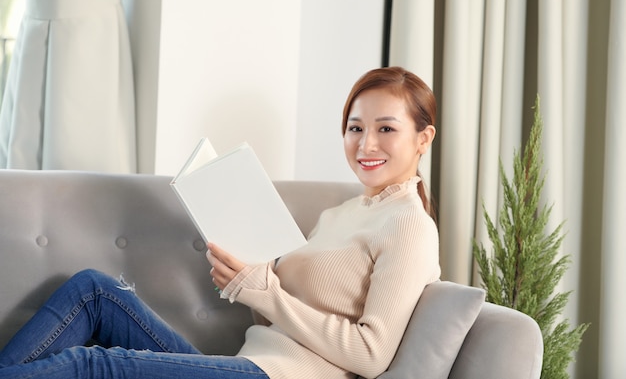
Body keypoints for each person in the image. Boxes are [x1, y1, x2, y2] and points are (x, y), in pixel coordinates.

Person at [0, 66, 441, 379]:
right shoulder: (342, 213)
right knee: (94, 290)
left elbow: (371, 354)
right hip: (251, 363)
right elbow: (278, 319)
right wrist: (248, 282)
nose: (366, 143)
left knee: (90, 365)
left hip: (281, 377)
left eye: (386, 129)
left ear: (423, 138)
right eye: (354, 127)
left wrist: (267, 293)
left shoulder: (408, 225)